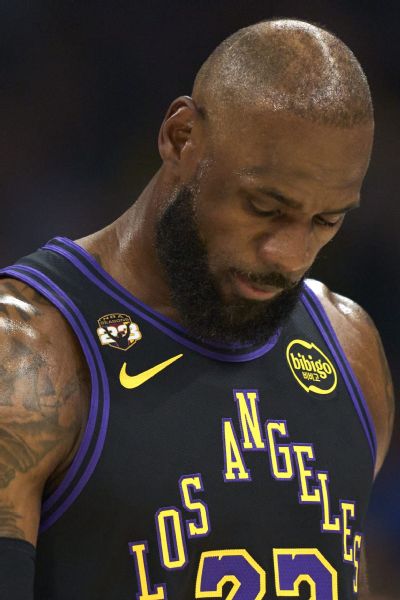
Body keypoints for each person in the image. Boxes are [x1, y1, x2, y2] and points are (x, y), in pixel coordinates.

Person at [0, 18, 394, 600]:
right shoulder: (26, 351)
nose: (289, 256)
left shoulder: (351, 350)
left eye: (325, 221)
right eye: (264, 207)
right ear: (181, 137)